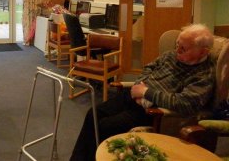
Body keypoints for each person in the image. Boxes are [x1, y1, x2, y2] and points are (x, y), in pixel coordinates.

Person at [70, 23, 216, 161]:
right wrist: (140, 85)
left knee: (105, 126)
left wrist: (146, 93)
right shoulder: (171, 55)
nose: (177, 50)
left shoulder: (204, 74)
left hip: (151, 110)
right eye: (177, 44)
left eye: (183, 48)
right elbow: (149, 67)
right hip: (134, 94)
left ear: (203, 51)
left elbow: (185, 103)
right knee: (92, 114)